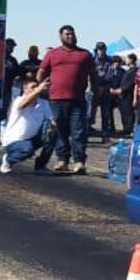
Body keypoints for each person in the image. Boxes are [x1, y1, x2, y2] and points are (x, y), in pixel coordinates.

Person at [37, 24, 97, 174]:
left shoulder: (85, 54)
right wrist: (42, 86)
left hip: (78, 99)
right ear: (61, 36)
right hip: (56, 99)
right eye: (67, 34)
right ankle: (62, 160)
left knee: (78, 131)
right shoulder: (53, 54)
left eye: (72, 34)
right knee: (60, 131)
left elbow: (94, 75)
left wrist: (95, 91)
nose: (70, 36)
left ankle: (79, 162)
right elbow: (41, 72)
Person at [0, 77, 57, 174]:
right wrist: (39, 89)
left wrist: (53, 126)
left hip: (32, 138)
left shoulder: (43, 103)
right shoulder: (18, 100)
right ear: (25, 89)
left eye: (37, 87)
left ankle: (40, 166)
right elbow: (22, 104)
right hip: (13, 141)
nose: (36, 89)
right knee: (27, 149)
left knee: (53, 135)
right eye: (33, 87)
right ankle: (8, 159)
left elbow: (51, 119)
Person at [90, 42, 115, 141]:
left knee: (105, 113)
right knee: (90, 112)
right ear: (96, 50)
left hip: (105, 88)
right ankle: (88, 131)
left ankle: (105, 134)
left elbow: (111, 74)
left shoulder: (110, 60)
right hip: (94, 88)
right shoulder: (92, 60)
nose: (101, 51)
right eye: (99, 49)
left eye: (102, 49)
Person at [111, 53, 137, 137]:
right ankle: (125, 129)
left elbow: (130, 83)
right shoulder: (129, 70)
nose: (125, 60)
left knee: (128, 113)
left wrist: (121, 90)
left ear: (131, 60)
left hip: (128, 95)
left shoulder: (133, 70)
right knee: (124, 113)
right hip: (123, 96)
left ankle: (128, 130)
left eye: (127, 59)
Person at [1, 38, 20, 125]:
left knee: (5, 110)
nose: (12, 49)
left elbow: (18, 72)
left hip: (8, 88)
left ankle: (1, 129)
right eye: (11, 46)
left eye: (13, 47)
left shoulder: (13, 60)